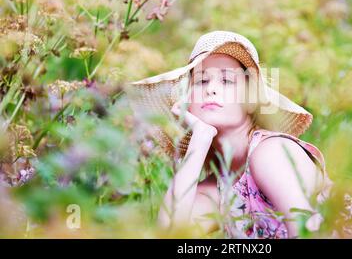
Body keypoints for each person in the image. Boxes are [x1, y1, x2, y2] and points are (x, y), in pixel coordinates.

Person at [127, 31, 333, 239]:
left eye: (226, 81)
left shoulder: (270, 152)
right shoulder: (217, 188)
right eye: (201, 81)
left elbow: (309, 232)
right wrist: (199, 138)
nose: (211, 90)